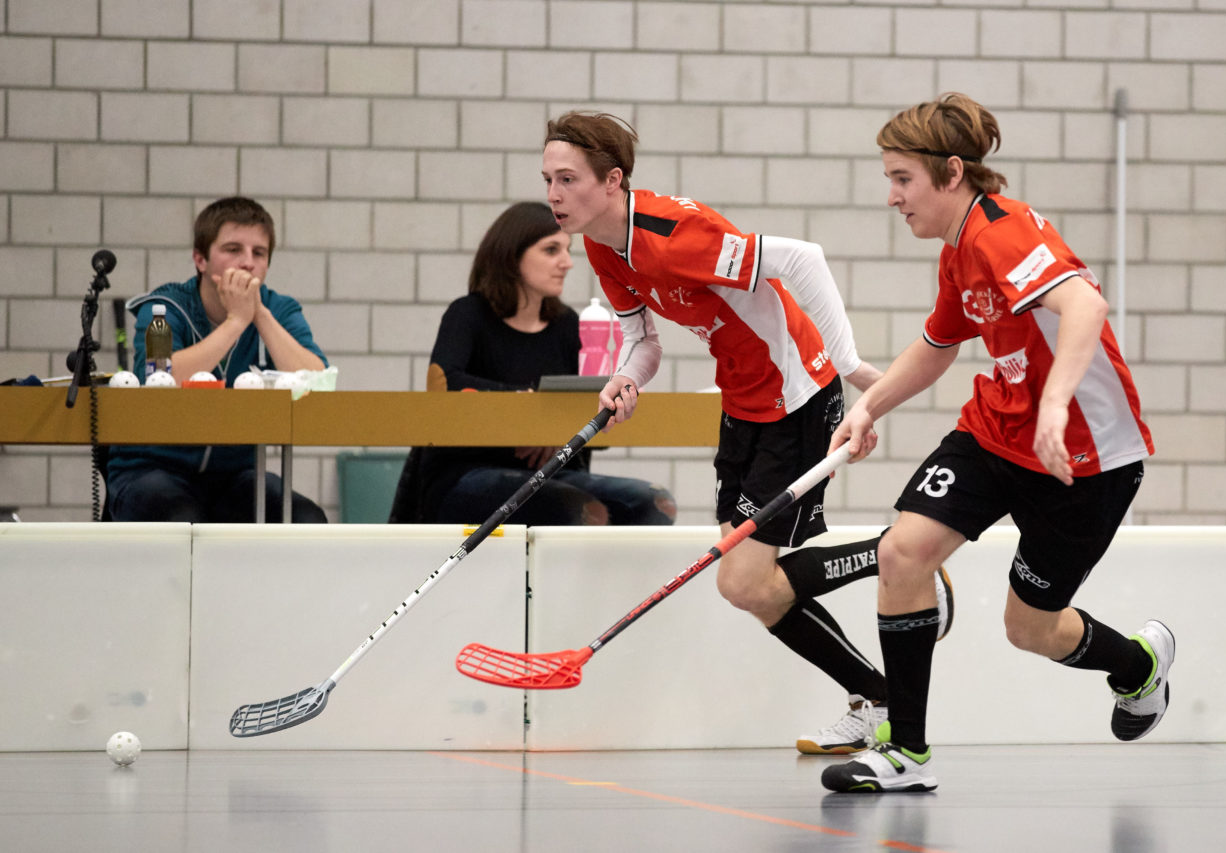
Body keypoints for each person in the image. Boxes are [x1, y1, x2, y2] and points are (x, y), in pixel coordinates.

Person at [541, 111, 955, 755]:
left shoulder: (676, 234)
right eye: (548, 179)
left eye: (567, 179)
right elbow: (641, 341)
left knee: (741, 580)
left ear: (612, 180)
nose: (554, 194)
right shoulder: (602, 246)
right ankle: (877, 694)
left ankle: (898, 554)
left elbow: (804, 260)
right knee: (755, 588)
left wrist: (848, 365)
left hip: (798, 398)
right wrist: (627, 378)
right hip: (742, 404)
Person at [821, 93, 1170, 794]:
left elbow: (1085, 305)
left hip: (1084, 459)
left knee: (1030, 628)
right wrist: (869, 405)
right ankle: (906, 752)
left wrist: (1055, 404)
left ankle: (1138, 666)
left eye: (902, 179)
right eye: (889, 178)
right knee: (902, 551)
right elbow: (936, 345)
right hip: (996, 431)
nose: (891, 196)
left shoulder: (1001, 234)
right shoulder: (958, 251)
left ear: (952, 173)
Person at [388, 201, 677, 526]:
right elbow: (446, 385)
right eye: (551, 250)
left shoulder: (567, 323)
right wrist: (527, 416)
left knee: (652, 502)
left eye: (567, 250)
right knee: (576, 507)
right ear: (512, 255)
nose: (566, 263)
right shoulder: (467, 314)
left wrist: (552, 431)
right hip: (468, 473)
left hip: (551, 469)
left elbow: (580, 403)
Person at [106, 196, 329, 523]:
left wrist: (259, 316)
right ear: (200, 259)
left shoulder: (279, 309)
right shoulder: (164, 307)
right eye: (233, 249)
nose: (247, 262)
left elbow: (318, 379)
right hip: (151, 469)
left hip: (235, 474)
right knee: (179, 516)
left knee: (306, 517)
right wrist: (235, 322)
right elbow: (159, 377)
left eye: (259, 253)